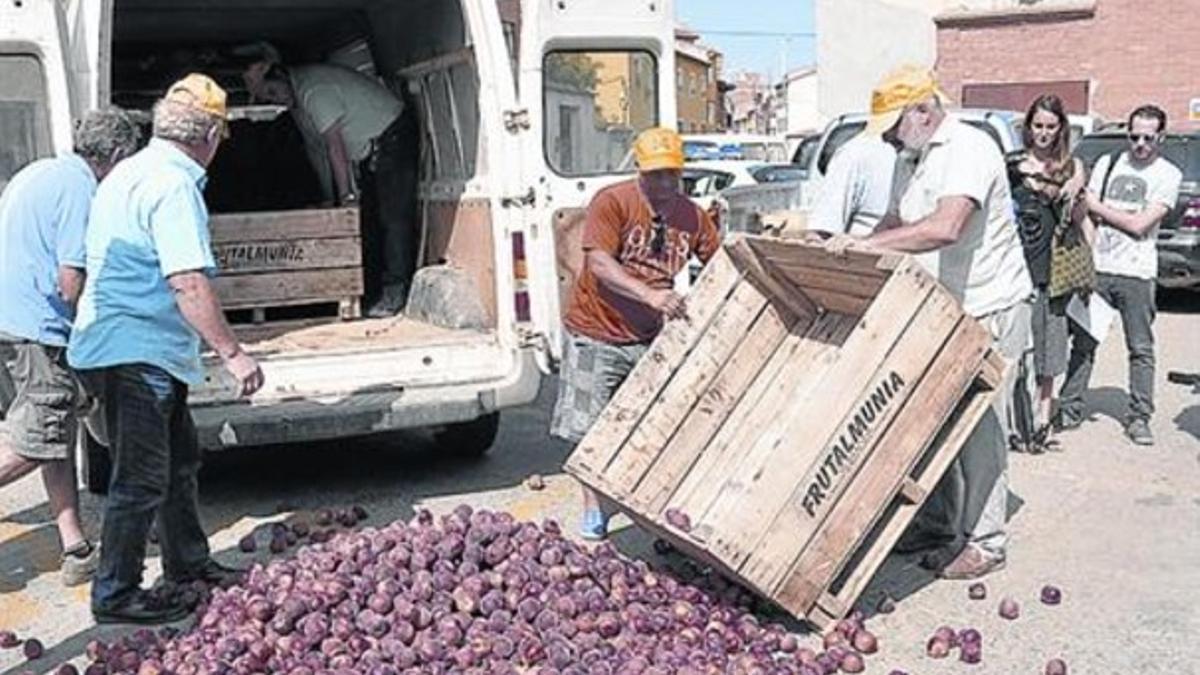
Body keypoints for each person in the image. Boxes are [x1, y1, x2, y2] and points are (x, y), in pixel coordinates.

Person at [68, 74, 265, 624]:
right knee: (142, 476)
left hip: (130, 347)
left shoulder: (130, 170)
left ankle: (188, 565)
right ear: (209, 135)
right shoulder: (174, 185)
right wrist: (233, 353)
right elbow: (188, 283)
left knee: (179, 463)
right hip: (137, 351)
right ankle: (115, 593)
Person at [839, 65, 1034, 580]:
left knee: (979, 427)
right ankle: (938, 522)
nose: (885, 135)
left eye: (891, 124)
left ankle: (987, 541)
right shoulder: (911, 156)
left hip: (989, 307)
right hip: (940, 311)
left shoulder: (969, 149)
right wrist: (839, 243)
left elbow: (946, 227)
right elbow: (894, 223)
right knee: (932, 420)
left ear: (922, 112)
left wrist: (862, 246)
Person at [551, 127, 721, 541]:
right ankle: (595, 508)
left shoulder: (692, 215)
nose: (664, 183)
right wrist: (651, 295)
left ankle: (654, 513)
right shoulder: (614, 201)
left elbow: (719, 264)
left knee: (649, 427)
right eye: (656, 174)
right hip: (596, 330)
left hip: (648, 338)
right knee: (592, 430)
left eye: (672, 175)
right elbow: (600, 265)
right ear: (640, 169)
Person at [0, 108, 142, 587]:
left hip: (10, 320)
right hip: (36, 328)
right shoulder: (82, 189)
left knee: (56, 435)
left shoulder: (40, 170)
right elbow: (69, 280)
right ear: (117, 155)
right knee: (37, 441)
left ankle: (76, 547)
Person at [244, 60, 415, 318]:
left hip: (392, 137)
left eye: (273, 92)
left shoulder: (314, 92)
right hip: (372, 150)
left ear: (282, 77)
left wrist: (346, 195)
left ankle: (395, 293)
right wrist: (330, 197)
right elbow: (318, 151)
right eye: (268, 98)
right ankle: (372, 291)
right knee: (367, 220)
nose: (276, 100)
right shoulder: (299, 106)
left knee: (392, 217)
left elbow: (336, 149)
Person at [1058, 105, 1181, 446]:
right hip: (1101, 268)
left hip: (1137, 273)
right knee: (1083, 343)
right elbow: (1085, 214)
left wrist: (1096, 206)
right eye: (1134, 136)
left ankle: (1139, 416)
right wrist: (1090, 255)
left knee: (1140, 347)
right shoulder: (1109, 163)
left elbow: (1140, 226)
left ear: (1161, 137)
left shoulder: (1167, 174)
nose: (1140, 144)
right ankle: (1070, 407)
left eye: (1148, 137)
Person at [1006, 94, 1092, 452]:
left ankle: (1043, 419)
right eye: (1038, 125)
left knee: (1049, 348)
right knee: (1014, 350)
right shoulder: (1011, 166)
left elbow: (1080, 220)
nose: (1043, 133)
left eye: (1050, 127)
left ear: (1061, 130)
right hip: (1015, 268)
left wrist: (1077, 193)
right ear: (1028, 127)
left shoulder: (1071, 168)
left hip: (1052, 270)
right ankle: (1014, 421)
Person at [808, 133, 899, 236]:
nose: (922, 120)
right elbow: (824, 228)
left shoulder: (912, 155)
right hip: (867, 247)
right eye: (919, 115)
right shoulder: (854, 153)